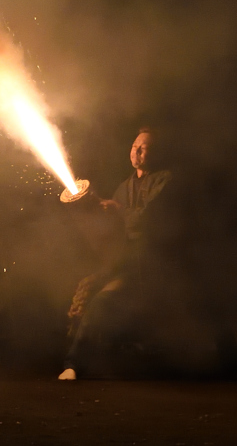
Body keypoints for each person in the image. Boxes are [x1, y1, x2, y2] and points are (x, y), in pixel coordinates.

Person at [58, 127, 172, 380]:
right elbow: (114, 232)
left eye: (144, 147)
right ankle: (73, 365)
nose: (137, 151)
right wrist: (98, 210)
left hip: (160, 267)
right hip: (127, 266)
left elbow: (153, 220)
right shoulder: (124, 186)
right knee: (97, 302)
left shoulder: (165, 180)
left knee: (204, 305)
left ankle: (235, 364)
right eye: (134, 146)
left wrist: (119, 210)